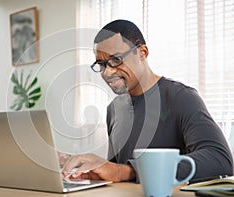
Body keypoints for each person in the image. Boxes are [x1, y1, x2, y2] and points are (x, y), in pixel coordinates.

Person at [62, 19, 233, 183]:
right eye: (101, 64)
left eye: (116, 60)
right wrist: (93, 173)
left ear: (142, 52)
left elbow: (220, 159)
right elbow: (116, 173)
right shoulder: (113, 109)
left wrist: (129, 171)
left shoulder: (181, 97)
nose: (107, 72)